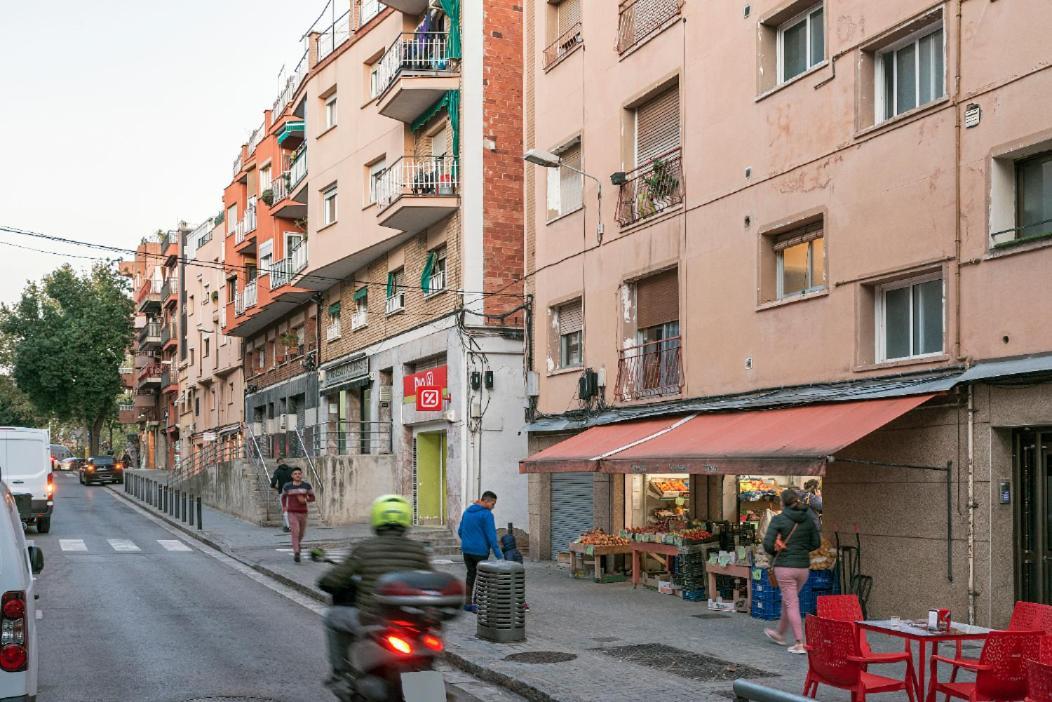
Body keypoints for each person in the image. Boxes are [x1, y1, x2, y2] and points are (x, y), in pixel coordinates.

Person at [318, 494, 431, 693]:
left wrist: (327, 583)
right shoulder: (418, 550)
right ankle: (426, 688)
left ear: (377, 518)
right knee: (425, 656)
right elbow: (433, 581)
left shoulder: (365, 548)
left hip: (373, 620)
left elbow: (332, 580)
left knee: (332, 617)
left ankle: (340, 674)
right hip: (411, 623)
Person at [762, 489, 821, 654]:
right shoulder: (808, 519)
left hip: (784, 567)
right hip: (803, 568)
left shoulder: (779, 520)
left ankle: (799, 642)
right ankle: (779, 633)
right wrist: (802, 550)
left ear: (783, 503)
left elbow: (767, 544)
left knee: (791, 602)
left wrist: (778, 551)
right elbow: (816, 543)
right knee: (789, 600)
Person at [457, 491, 503, 613]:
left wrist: (467, 542)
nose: (493, 507)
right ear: (486, 501)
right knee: (482, 577)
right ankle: (478, 603)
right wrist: (499, 555)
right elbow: (491, 536)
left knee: (470, 575)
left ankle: (467, 604)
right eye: (493, 503)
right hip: (480, 551)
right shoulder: (487, 515)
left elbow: (460, 531)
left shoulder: (467, 512)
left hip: (466, 550)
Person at [280, 468, 315, 562]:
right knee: (295, 532)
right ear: (292, 476)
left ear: (301, 475)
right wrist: (284, 506)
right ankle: (296, 552)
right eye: (295, 474)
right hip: (292, 512)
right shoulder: (287, 486)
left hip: (303, 512)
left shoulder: (306, 486)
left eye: (299, 473)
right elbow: (283, 497)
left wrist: (306, 499)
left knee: (301, 533)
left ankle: (297, 545)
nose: (297, 475)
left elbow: (312, 497)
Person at [270, 462, 295, 533]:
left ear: (278, 464)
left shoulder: (277, 471)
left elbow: (274, 481)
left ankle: (289, 526)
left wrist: (273, 486)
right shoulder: (291, 470)